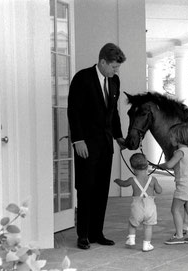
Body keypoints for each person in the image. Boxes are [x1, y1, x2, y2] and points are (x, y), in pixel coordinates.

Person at [67, 43, 127, 250]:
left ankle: (97, 233)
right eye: (114, 67)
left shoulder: (115, 81)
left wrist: (118, 136)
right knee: (86, 188)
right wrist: (78, 140)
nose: (116, 71)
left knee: (101, 189)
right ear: (102, 62)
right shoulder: (82, 78)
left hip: (105, 145)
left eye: (117, 68)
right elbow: (73, 112)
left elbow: (113, 112)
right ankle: (82, 235)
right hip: (86, 144)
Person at [154, 123, 188, 245]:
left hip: (183, 186)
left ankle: (179, 236)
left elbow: (169, 165)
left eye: (172, 136)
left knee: (175, 210)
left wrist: (159, 166)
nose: (170, 139)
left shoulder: (179, 152)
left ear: (179, 137)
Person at [114, 153, 162, 252]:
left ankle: (131, 239)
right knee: (148, 226)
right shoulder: (153, 179)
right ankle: (146, 244)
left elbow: (123, 184)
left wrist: (118, 181)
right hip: (150, 207)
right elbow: (159, 191)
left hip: (137, 206)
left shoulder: (132, 180)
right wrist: (157, 187)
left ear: (132, 168)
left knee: (132, 223)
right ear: (147, 165)